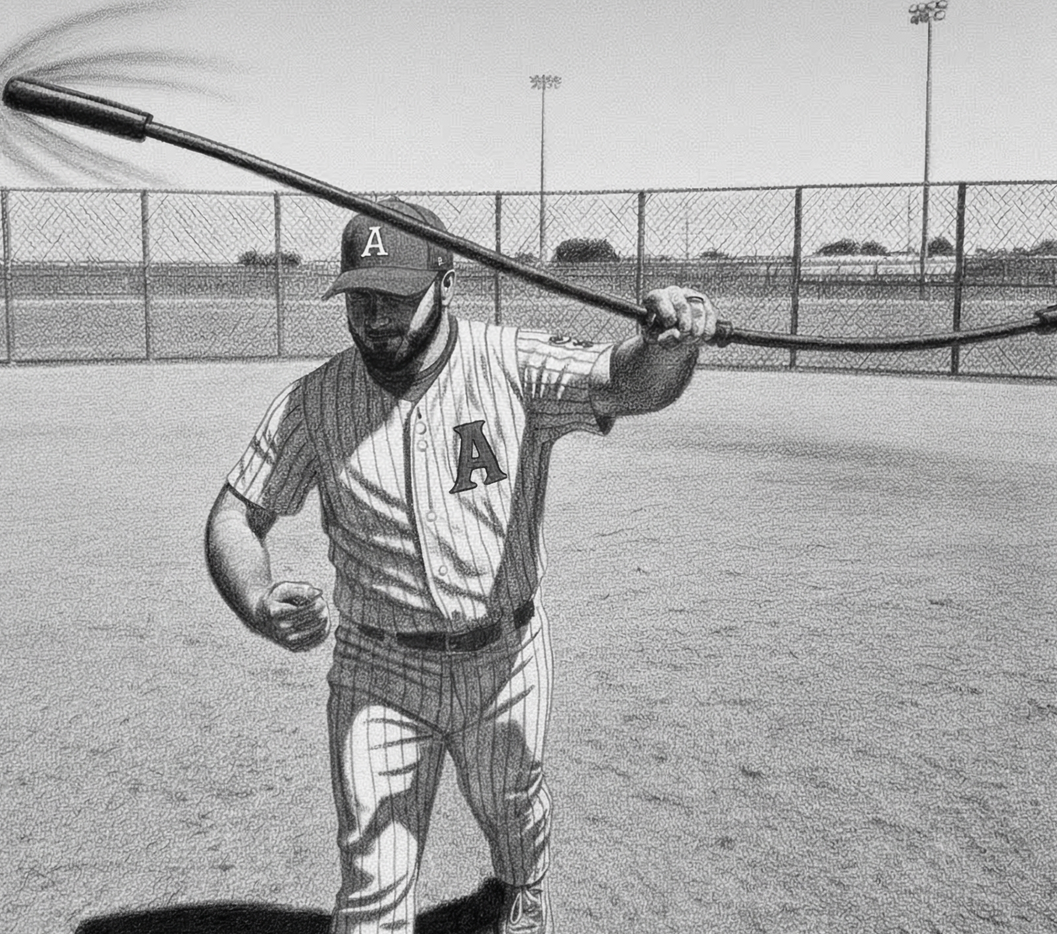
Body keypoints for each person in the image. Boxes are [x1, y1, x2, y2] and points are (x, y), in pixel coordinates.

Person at [204, 198, 719, 934]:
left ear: (445, 284)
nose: (375, 317)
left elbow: (631, 381)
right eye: (361, 298)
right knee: (372, 884)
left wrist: (671, 342)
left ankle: (521, 889)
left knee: (514, 806)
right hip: (378, 670)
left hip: (505, 658)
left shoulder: (510, 362)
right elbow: (233, 516)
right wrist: (257, 599)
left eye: (396, 299)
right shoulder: (313, 403)